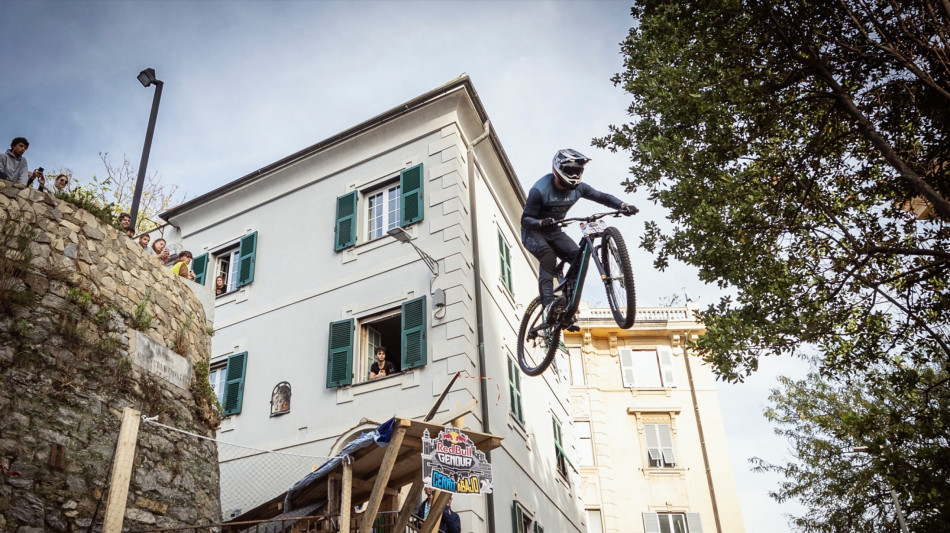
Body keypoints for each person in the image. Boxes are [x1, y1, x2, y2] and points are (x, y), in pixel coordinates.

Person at [521, 149, 637, 322]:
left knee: (579, 257)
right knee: (548, 255)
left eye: (578, 170)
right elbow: (525, 219)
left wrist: (622, 205)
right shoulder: (540, 190)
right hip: (533, 232)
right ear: (558, 169)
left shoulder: (580, 189)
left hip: (554, 231)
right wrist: (539, 222)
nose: (574, 174)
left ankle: (567, 305)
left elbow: (601, 196)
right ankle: (548, 303)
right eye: (570, 171)